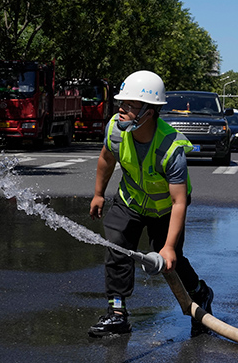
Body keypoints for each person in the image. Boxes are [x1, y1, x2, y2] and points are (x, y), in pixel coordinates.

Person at [88, 70, 213, 338]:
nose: (121, 110)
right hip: (130, 200)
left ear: (150, 111)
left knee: (170, 261)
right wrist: (99, 194)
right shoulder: (116, 130)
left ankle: (199, 294)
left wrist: (168, 247)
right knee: (117, 245)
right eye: (121, 103)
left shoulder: (170, 147)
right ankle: (117, 314)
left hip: (167, 209)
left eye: (130, 106)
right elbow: (106, 160)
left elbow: (179, 201)